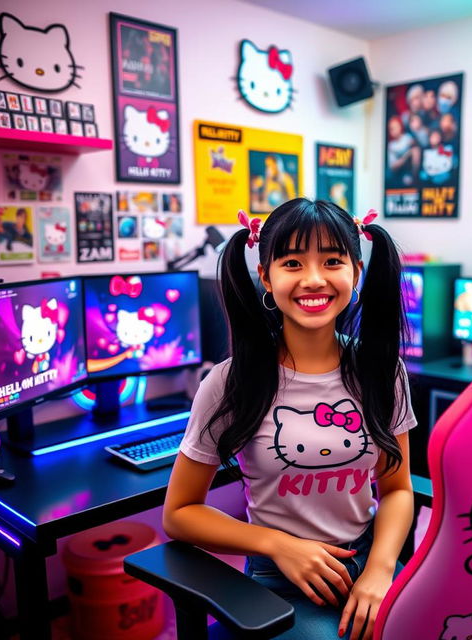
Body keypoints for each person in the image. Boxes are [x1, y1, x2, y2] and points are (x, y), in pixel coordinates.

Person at [164, 198, 417, 640]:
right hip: (279, 576)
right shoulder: (229, 382)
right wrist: (278, 544)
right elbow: (179, 513)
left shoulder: (382, 371)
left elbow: (396, 489)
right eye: (293, 262)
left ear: (356, 272)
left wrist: (379, 570)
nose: (314, 279)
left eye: (332, 260)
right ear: (266, 275)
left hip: (367, 560)